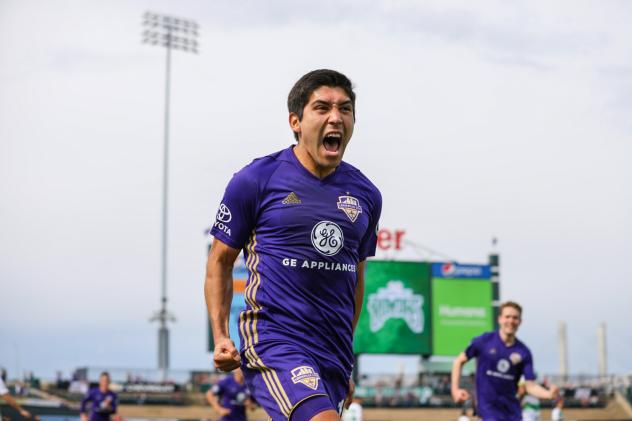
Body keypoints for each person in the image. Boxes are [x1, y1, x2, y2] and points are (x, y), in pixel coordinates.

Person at [205, 69, 382, 421]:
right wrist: (221, 334)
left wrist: (345, 356)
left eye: (345, 109)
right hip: (274, 340)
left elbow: (355, 280)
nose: (336, 117)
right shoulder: (255, 180)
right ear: (296, 121)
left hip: (332, 351)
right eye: (322, 108)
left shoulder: (366, 195)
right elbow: (220, 262)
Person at [451, 301, 558, 421]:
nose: (511, 321)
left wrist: (548, 394)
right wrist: (455, 389)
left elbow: (530, 386)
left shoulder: (524, 352)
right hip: (488, 410)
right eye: (507, 317)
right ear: (500, 319)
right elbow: (458, 361)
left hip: (512, 413)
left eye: (515, 318)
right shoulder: (484, 341)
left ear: (520, 322)